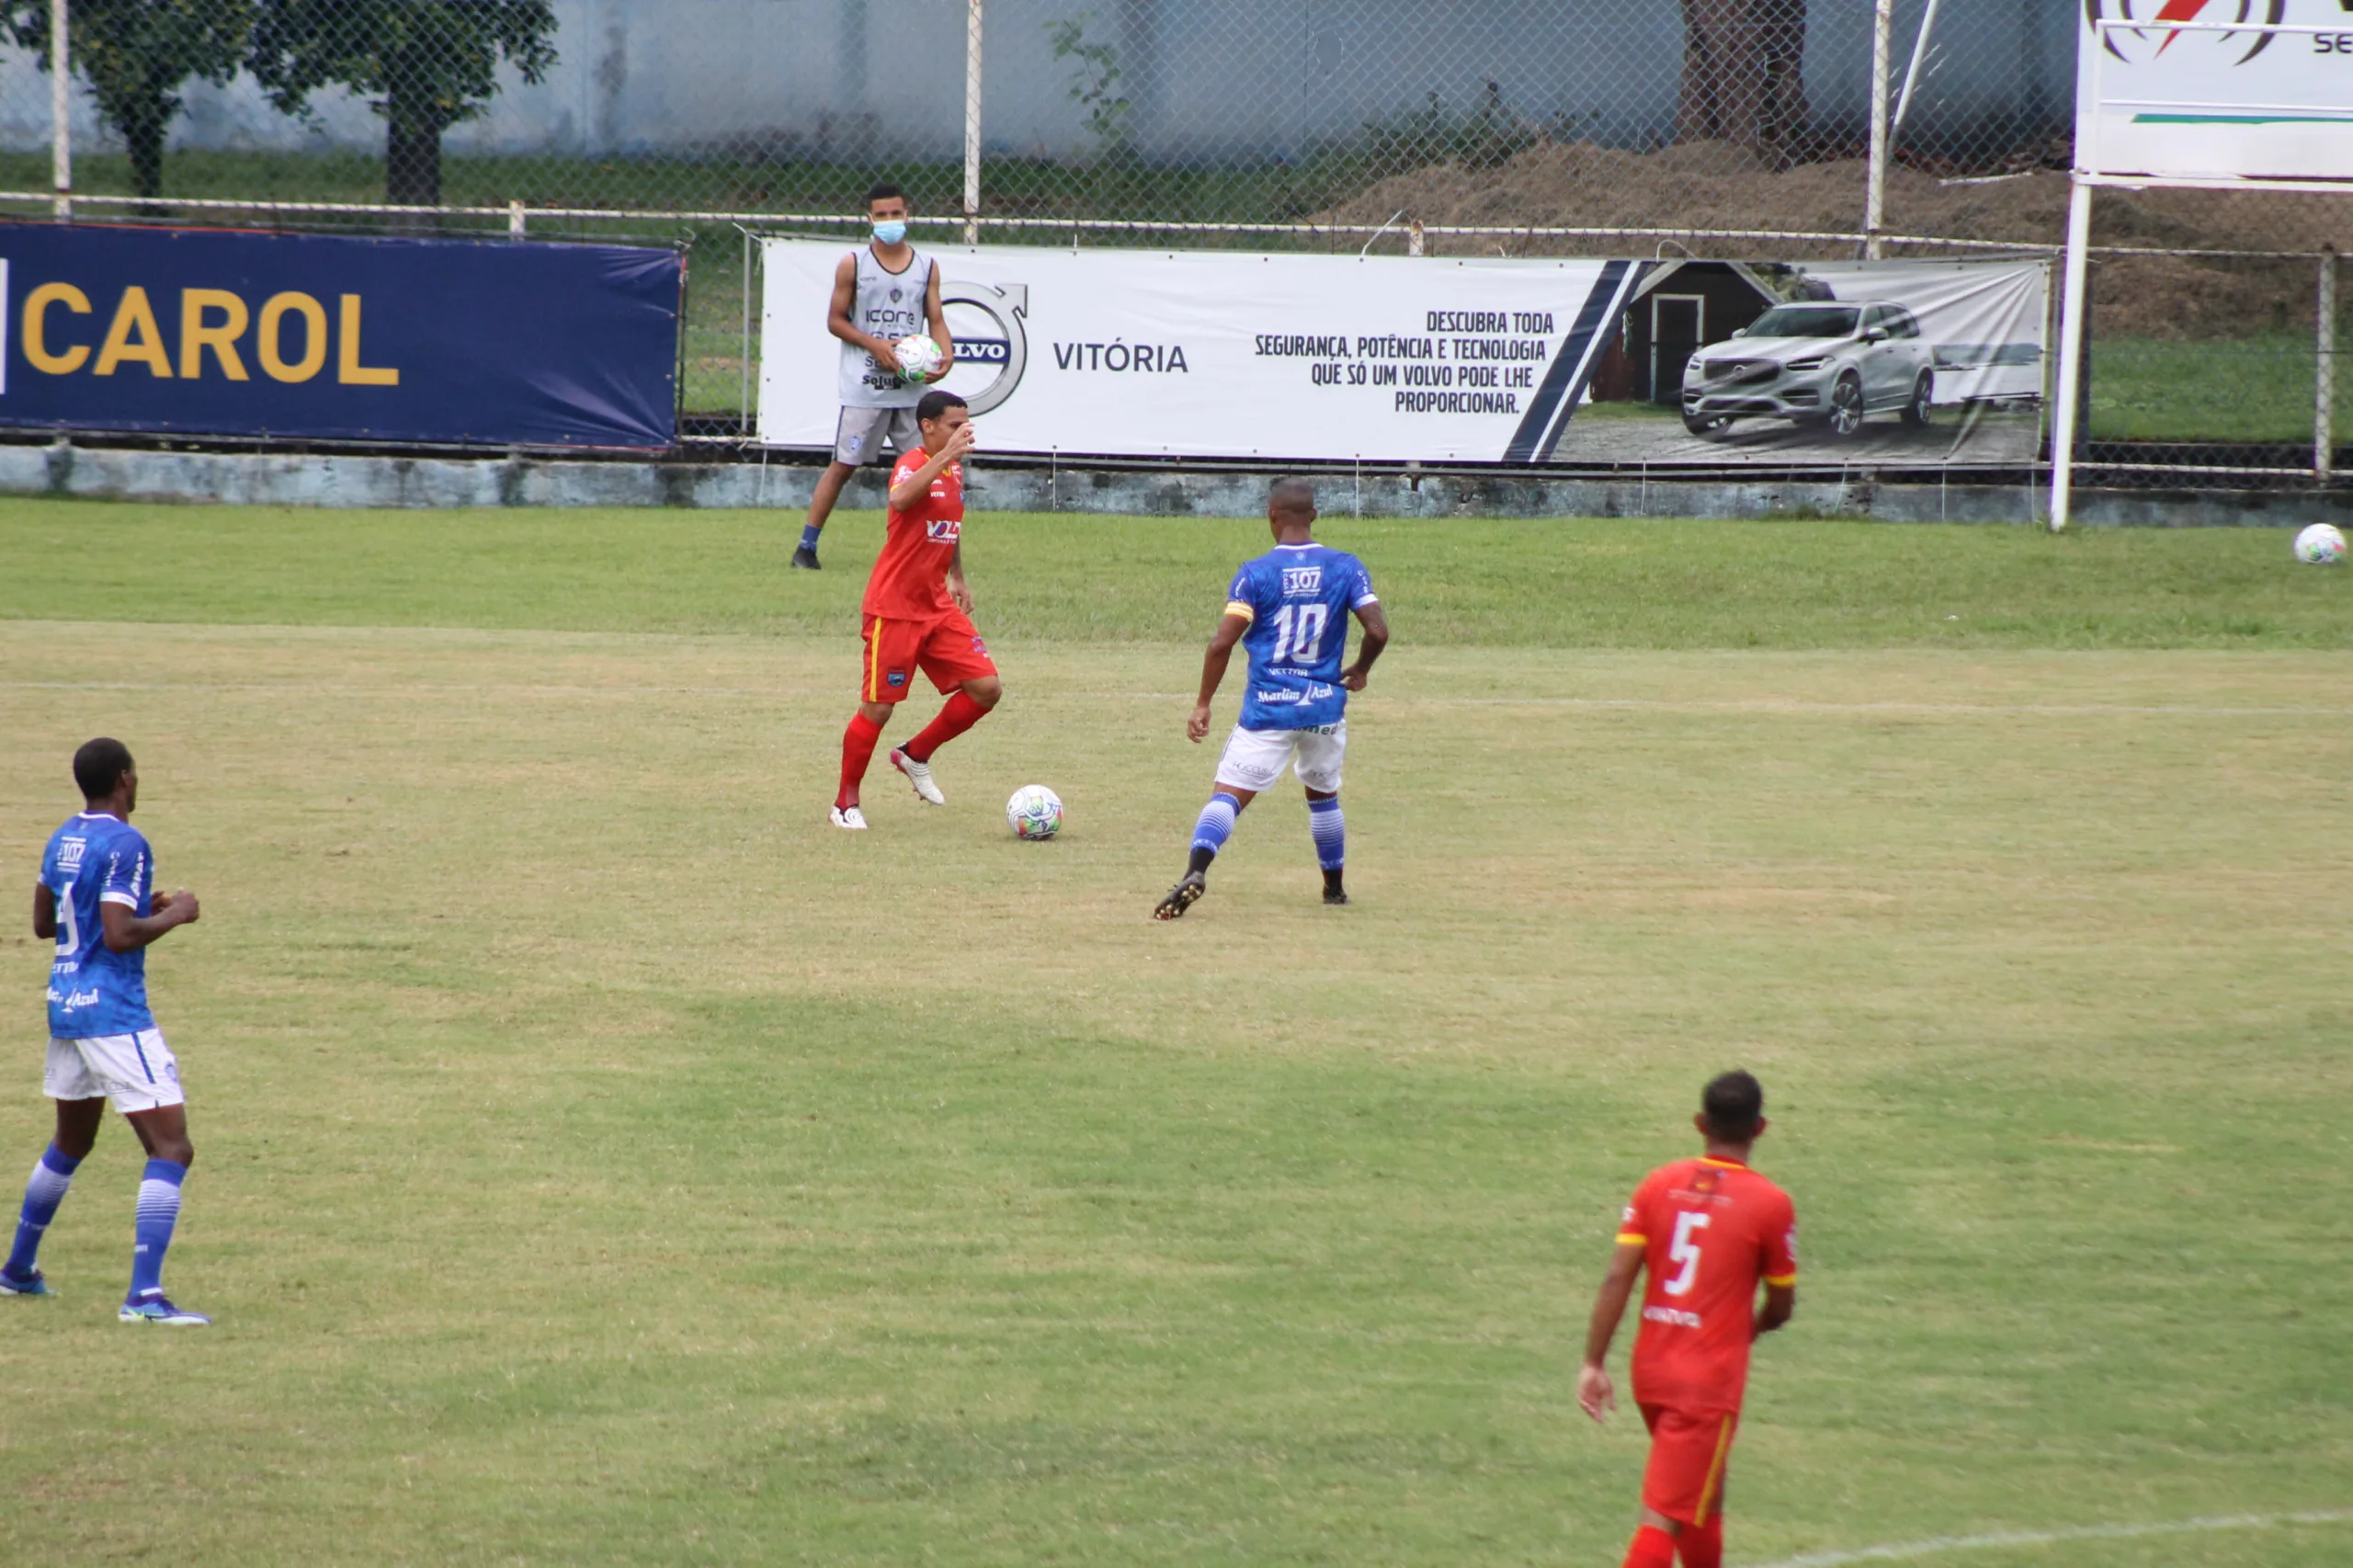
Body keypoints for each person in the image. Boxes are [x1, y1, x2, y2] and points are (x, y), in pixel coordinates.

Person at [3, 738, 208, 1324]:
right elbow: (118, 937)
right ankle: (144, 1297)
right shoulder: (128, 841)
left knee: (72, 1143)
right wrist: (176, 913)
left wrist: (144, 904)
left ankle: (17, 1271)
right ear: (123, 778)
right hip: (112, 1012)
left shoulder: (63, 838)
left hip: (64, 1004)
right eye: (135, 773)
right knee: (171, 1146)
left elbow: (46, 924)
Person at [1578, 1071, 1799, 1568]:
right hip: (1704, 1385)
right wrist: (1752, 1327)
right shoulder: (1770, 1203)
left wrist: (1593, 1361)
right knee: (1662, 1517)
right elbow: (1782, 1304)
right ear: (1760, 1127)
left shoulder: (1657, 1185)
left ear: (1700, 1122)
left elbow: (1617, 1279)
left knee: (1704, 1496)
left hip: (1651, 1370)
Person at [1153, 478, 1388, 919]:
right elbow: (1378, 630)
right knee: (1323, 796)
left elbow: (1221, 644)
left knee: (1228, 797)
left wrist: (1203, 703)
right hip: (1323, 706)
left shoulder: (1255, 574)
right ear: (1315, 514)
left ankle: (1195, 871)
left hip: (1268, 709)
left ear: (1271, 516)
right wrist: (1360, 671)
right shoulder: (1346, 567)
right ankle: (1334, 890)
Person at [832, 390, 1001, 830]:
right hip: (895, 609)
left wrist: (958, 575)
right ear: (927, 426)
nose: (964, 431)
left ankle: (914, 753)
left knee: (986, 688)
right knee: (878, 709)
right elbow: (902, 499)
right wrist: (944, 455)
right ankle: (844, 803)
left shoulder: (954, 469)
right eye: (953, 424)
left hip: (937, 604)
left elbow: (949, 523)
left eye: (966, 424)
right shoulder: (912, 463)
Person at [795, 183, 955, 571]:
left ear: (907, 215)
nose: (889, 221)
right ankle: (806, 547)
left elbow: (936, 320)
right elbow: (835, 320)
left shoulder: (926, 266)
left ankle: (927, 553)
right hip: (864, 388)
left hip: (911, 392)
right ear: (869, 219)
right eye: (881, 215)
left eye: (895, 213)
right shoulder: (854, 264)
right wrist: (874, 345)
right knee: (843, 465)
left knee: (926, 469)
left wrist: (945, 355)